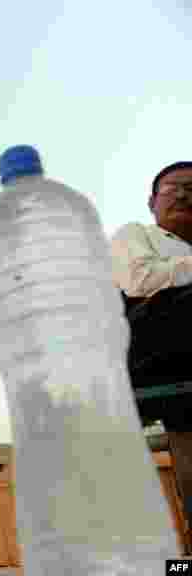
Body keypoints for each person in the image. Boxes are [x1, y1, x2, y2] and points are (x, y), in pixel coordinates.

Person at [111, 160, 192, 551]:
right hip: (150, 343)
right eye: (173, 187)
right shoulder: (136, 234)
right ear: (151, 202)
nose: (183, 193)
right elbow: (140, 280)